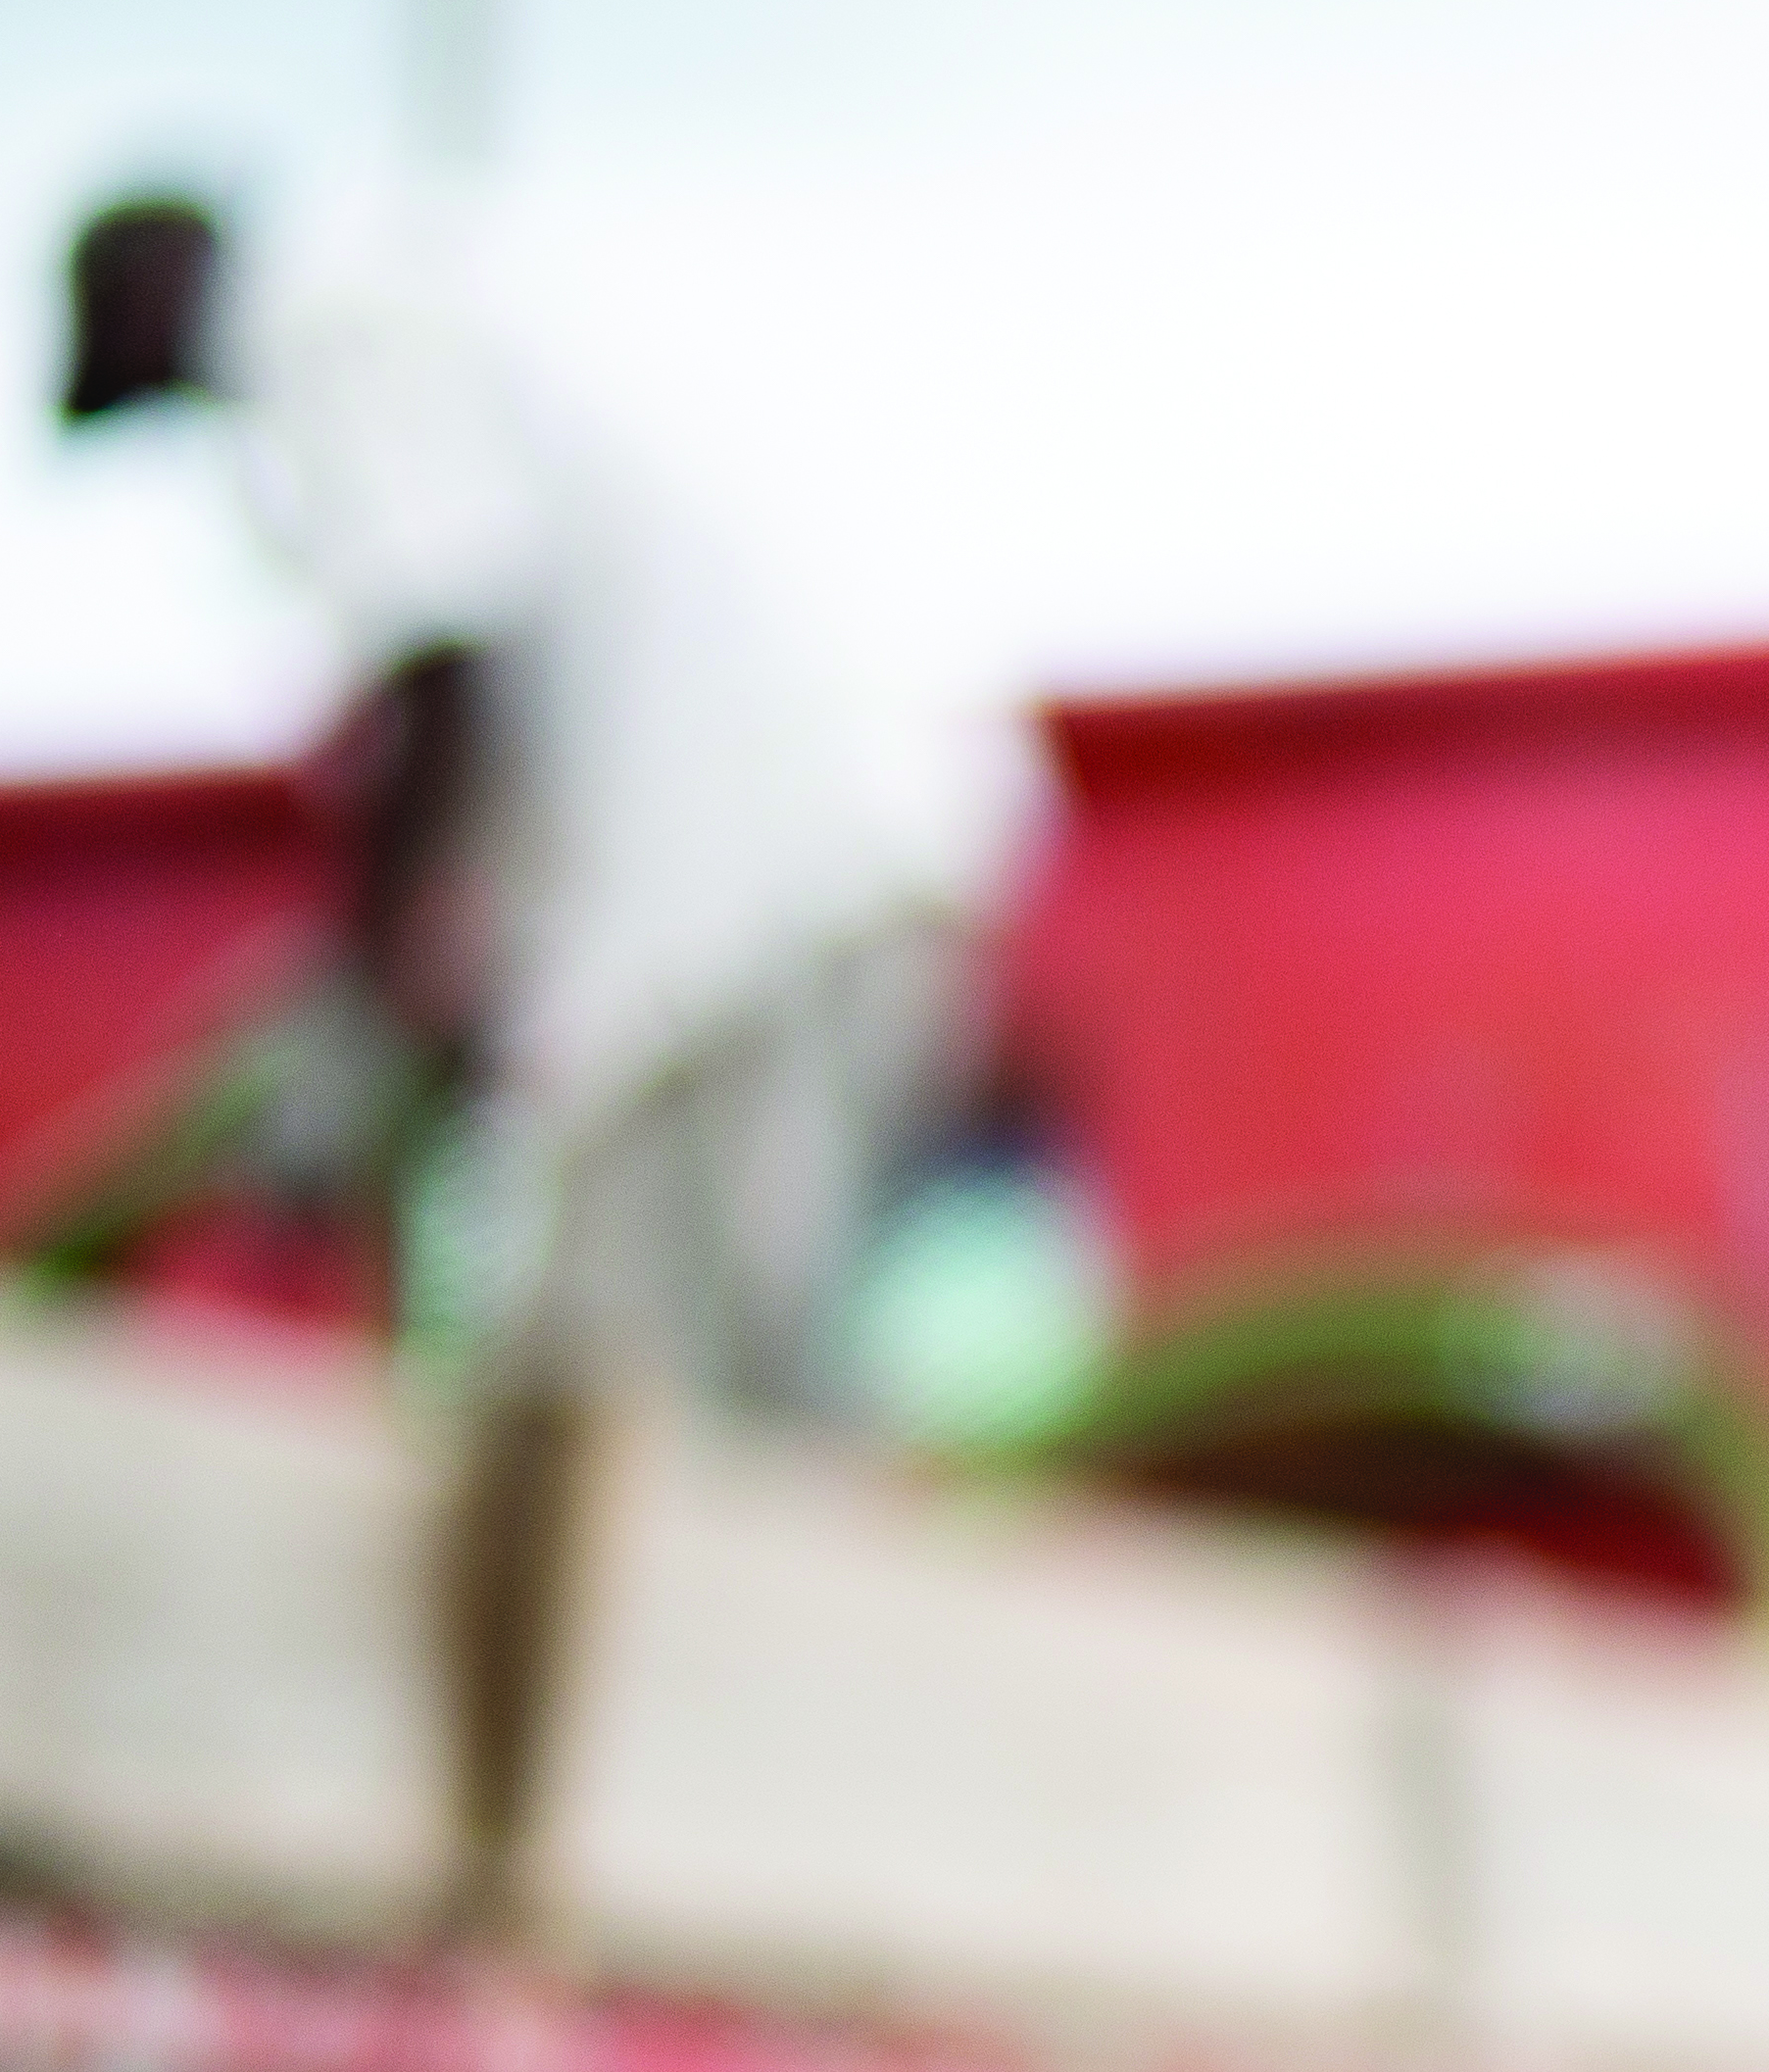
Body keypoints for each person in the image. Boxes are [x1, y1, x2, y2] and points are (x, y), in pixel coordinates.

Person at [51, 184, 1033, 1425]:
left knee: (627, 1417)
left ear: (145, 294)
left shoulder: (328, 331)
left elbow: (444, 673)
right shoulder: (447, 316)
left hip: (746, 917)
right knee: (721, 1400)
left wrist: (357, 1009)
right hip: (830, 867)